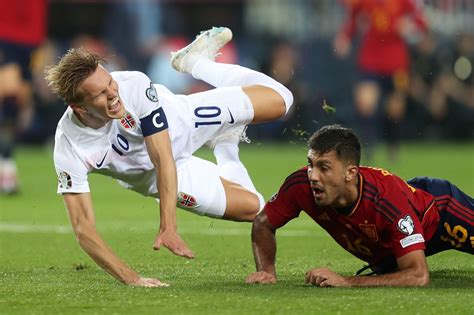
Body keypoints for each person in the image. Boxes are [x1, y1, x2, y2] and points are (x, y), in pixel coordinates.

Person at [45, 27, 293, 287]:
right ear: (79, 107)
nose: (113, 94)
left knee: (282, 100)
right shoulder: (69, 146)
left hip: (184, 121)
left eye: (110, 82)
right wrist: (132, 279)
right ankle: (225, 143)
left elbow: (162, 156)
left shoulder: (133, 85)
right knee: (256, 209)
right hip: (151, 176)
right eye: (100, 94)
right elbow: (83, 229)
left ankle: (194, 62)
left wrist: (168, 226)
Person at [246, 125, 473, 287]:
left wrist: (346, 281)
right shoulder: (301, 186)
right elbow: (263, 223)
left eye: (323, 167)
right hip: (389, 248)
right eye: (310, 165)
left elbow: (418, 276)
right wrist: (266, 272)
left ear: (350, 173)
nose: (313, 176)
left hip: (440, 213)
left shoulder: (386, 202)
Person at [333, 0, 428, 161]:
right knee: (365, 104)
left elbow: (421, 21)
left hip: (396, 63)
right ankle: (368, 149)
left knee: (395, 109)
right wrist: (345, 37)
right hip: (370, 59)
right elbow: (353, 19)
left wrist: (409, 26)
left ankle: (393, 148)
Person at [0, 0, 47, 194]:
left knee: (18, 105)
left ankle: (6, 164)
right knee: (8, 95)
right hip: (4, 33)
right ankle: (7, 168)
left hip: (31, 38)